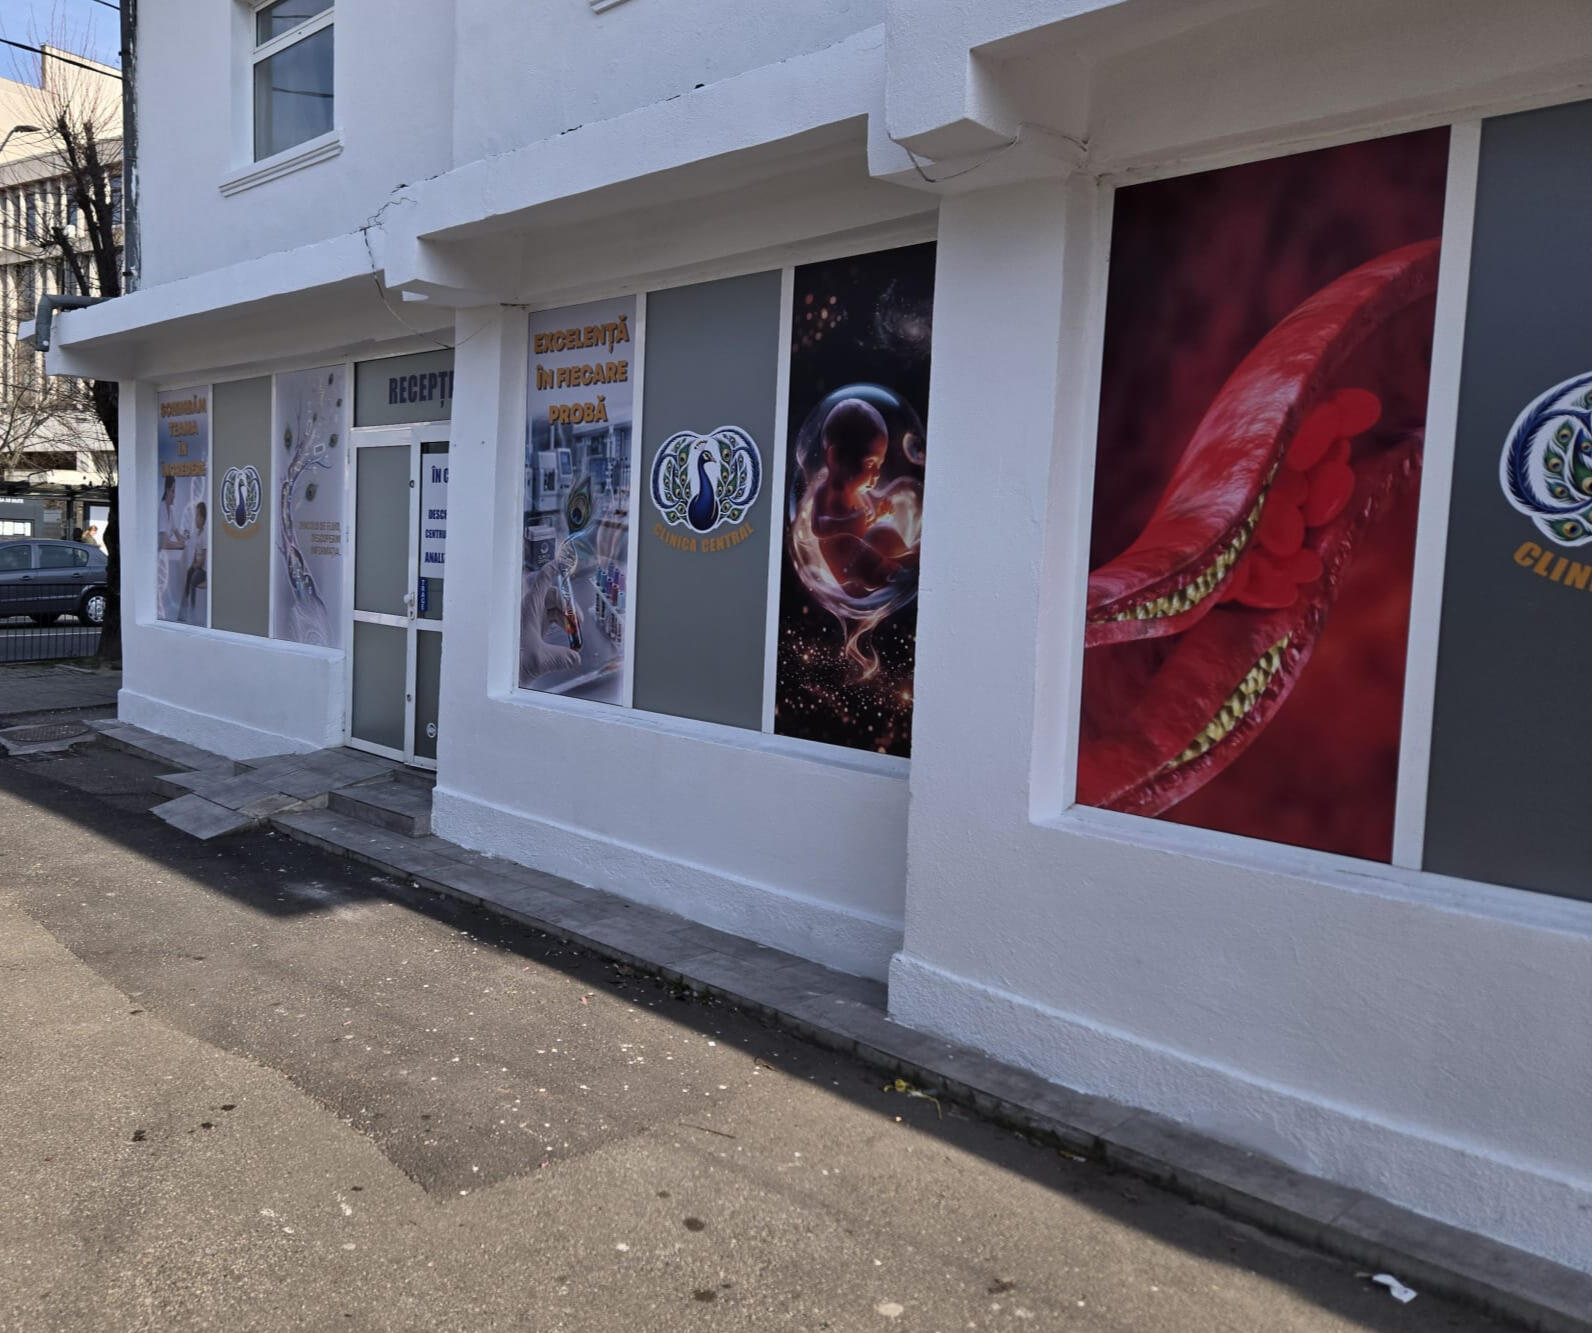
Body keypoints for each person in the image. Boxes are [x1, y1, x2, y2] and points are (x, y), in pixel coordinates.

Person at [156, 474, 188, 621]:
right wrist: (179, 545)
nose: (175, 495)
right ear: (167, 490)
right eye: (173, 491)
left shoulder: (172, 510)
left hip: (167, 559)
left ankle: (177, 612)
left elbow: (177, 533)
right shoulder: (162, 509)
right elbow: (164, 542)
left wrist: (185, 541)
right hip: (159, 559)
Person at [181, 503, 207, 619]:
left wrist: (196, 566)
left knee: (193, 580)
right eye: (195, 515)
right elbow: (196, 553)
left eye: (197, 516)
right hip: (198, 566)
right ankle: (184, 605)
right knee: (188, 574)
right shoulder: (197, 533)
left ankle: (192, 609)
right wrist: (193, 564)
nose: (195, 519)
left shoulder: (205, 535)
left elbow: (203, 558)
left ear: (203, 518)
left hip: (203, 570)